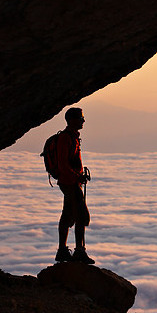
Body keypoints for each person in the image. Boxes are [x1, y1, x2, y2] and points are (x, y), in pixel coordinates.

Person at [54, 107, 94, 264]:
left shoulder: (72, 137)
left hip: (70, 181)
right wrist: (78, 176)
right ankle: (78, 251)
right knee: (81, 216)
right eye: (81, 118)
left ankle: (63, 251)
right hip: (69, 182)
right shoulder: (66, 138)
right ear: (72, 120)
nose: (83, 121)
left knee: (68, 214)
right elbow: (63, 164)